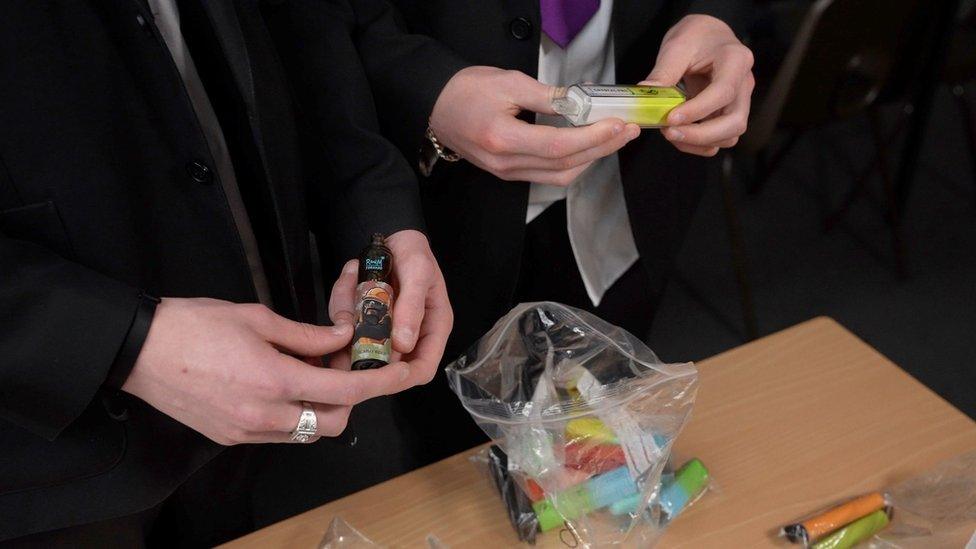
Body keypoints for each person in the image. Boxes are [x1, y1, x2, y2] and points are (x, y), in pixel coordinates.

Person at [0, 0, 451, 545]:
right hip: (52, 472)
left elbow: (307, 49)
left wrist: (383, 224)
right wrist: (124, 339)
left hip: (305, 396)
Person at [342, 0, 755, 465]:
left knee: (605, 414)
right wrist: (429, 89)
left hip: (632, 191)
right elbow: (317, 24)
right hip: (450, 209)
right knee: (453, 437)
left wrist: (716, 16)